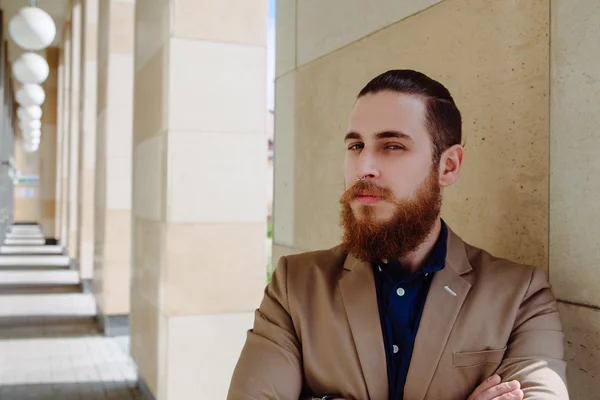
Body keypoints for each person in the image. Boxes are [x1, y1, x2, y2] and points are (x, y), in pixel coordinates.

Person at [227, 70, 569, 399]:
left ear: (447, 166)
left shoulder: (520, 295)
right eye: (356, 146)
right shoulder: (294, 287)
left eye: (392, 146)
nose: (364, 168)